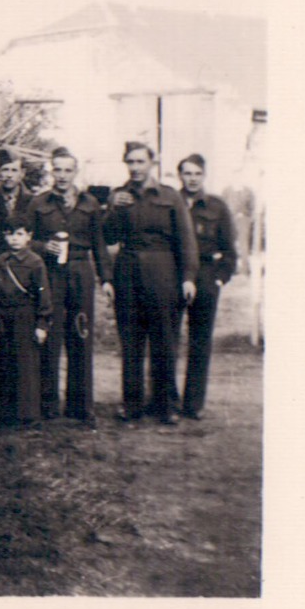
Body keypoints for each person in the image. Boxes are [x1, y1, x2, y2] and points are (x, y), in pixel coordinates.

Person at [104, 141, 199, 424]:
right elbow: (108, 236)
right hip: (128, 273)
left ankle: (166, 404)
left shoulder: (170, 196)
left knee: (164, 340)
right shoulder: (119, 196)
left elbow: (186, 241)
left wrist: (188, 278)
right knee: (131, 341)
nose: (135, 168)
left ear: (152, 163)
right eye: (130, 162)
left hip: (163, 273)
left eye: (140, 162)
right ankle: (131, 403)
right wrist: (112, 208)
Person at [21, 147, 111, 425]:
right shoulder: (38, 203)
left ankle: (81, 406)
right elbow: (23, 238)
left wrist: (106, 278)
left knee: (80, 335)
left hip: (81, 273)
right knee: (50, 337)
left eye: (67, 170)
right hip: (50, 275)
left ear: (75, 172)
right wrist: (41, 246)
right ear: (51, 171)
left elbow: (99, 244)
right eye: (57, 170)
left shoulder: (90, 203)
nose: (61, 175)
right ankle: (48, 405)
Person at [177, 153, 238, 421]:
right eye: (187, 173)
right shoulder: (170, 202)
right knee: (167, 340)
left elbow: (229, 252)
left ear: (204, 176)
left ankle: (193, 404)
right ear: (180, 175)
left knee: (200, 341)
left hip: (204, 277)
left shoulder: (217, 207)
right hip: (173, 275)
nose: (192, 179)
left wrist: (218, 279)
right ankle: (164, 400)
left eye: (197, 174)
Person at [0, 220, 53, 426]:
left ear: (29, 236)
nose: (14, 239)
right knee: (5, 362)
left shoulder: (35, 262)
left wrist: (42, 324)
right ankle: (5, 413)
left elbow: (44, 296)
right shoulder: (0, 261)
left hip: (26, 315)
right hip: (4, 315)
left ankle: (28, 415)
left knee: (26, 365)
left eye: (20, 234)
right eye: (10, 234)